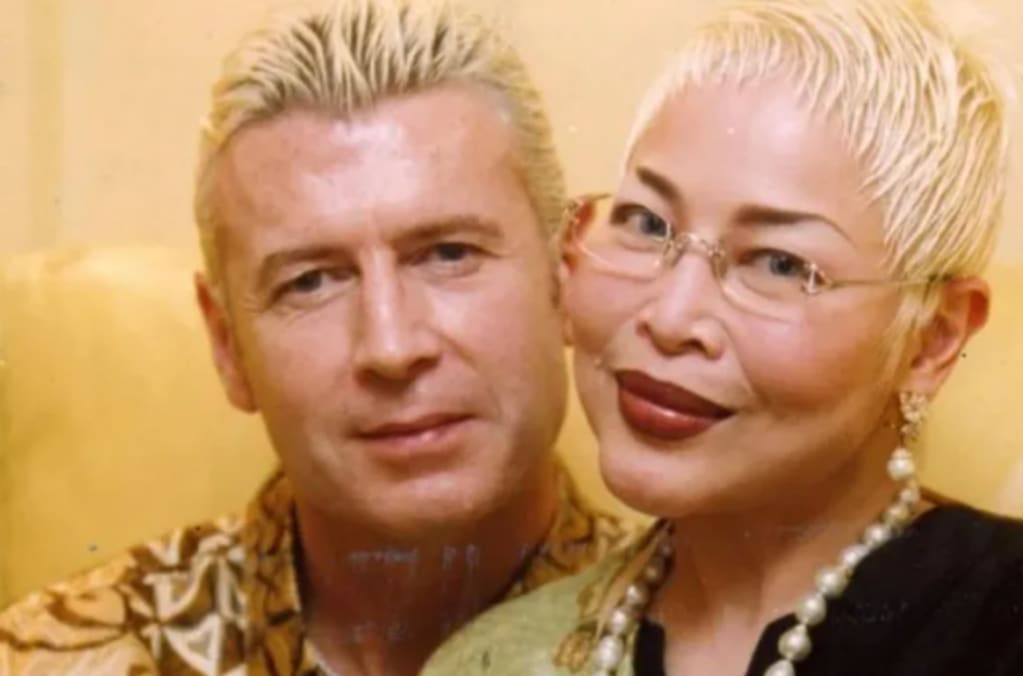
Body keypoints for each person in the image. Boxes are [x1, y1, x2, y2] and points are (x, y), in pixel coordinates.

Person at [421, 1, 1023, 674]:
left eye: (782, 264)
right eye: (647, 223)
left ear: (932, 340)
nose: (670, 315)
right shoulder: (491, 659)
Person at [0, 0, 636, 674]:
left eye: (449, 254)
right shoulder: (54, 658)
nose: (391, 347)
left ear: (569, 276)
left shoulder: (699, 640)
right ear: (227, 346)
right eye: (310, 282)